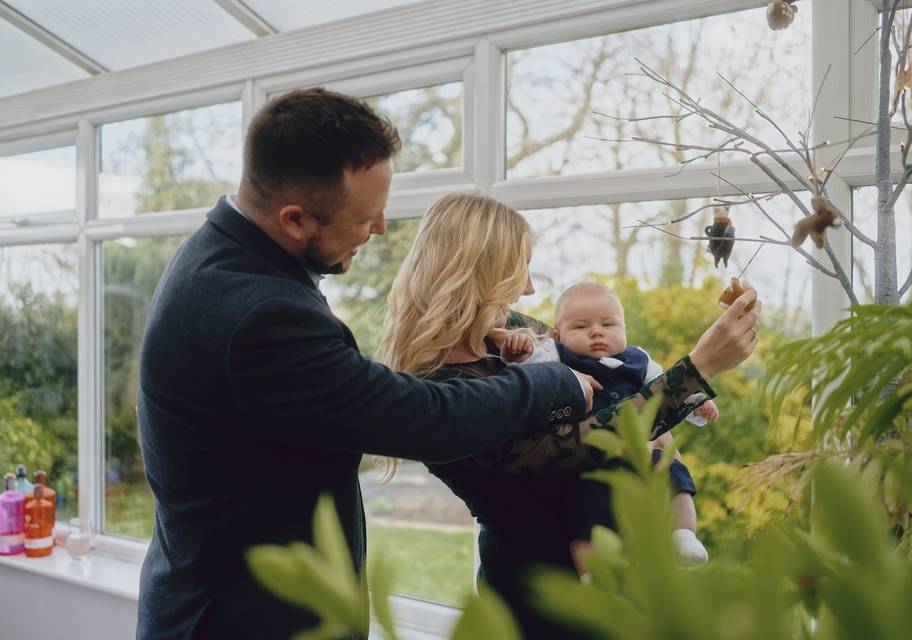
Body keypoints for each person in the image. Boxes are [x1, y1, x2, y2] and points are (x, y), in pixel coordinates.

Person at [135, 88, 602, 640]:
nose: (380, 228)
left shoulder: (220, 260)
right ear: (294, 220)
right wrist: (551, 381)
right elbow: (421, 417)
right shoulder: (260, 314)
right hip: (245, 620)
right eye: (366, 218)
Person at [377, 192, 760, 638]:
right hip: (539, 602)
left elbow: (613, 379)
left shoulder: (510, 334)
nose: (530, 289)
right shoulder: (440, 390)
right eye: (519, 269)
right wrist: (700, 367)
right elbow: (587, 441)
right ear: (478, 273)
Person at [500, 281, 719, 568]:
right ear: (558, 335)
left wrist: (697, 403)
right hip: (589, 458)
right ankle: (590, 573)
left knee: (673, 475)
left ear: (625, 329)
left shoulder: (640, 361)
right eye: (580, 327)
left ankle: (683, 535)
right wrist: (517, 354)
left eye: (608, 324)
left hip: (645, 450)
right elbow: (528, 366)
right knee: (584, 511)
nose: (596, 331)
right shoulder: (555, 354)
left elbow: (671, 389)